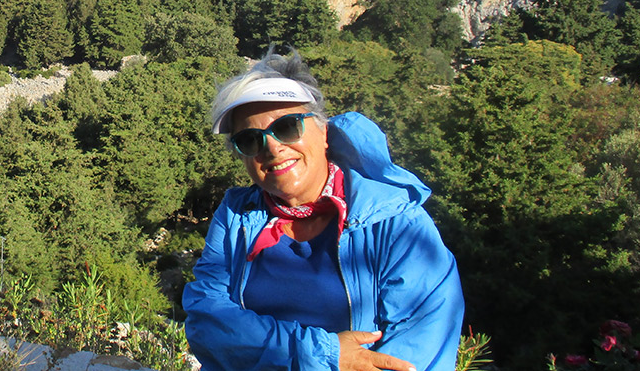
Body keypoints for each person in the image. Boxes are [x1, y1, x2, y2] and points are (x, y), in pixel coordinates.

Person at [182, 50, 463, 371]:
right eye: (250, 140)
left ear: (324, 131)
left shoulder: (396, 223)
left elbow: (412, 354)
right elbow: (207, 320)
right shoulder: (236, 215)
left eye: (287, 127)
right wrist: (324, 352)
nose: (272, 147)